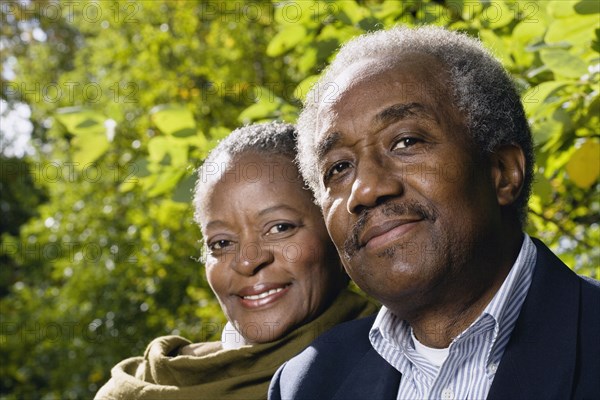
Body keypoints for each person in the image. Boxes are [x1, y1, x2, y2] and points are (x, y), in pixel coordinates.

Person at [269, 26, 600, 400]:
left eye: (406, 141)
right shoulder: (308, 383)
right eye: (339, 169)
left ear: (503, 172)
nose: (365, 189)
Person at [95, 122, 377, 400]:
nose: (248, 261)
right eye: (222, 243)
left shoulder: (396, 360)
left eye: (279, 228)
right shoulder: (142, 387)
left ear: (335, 230)